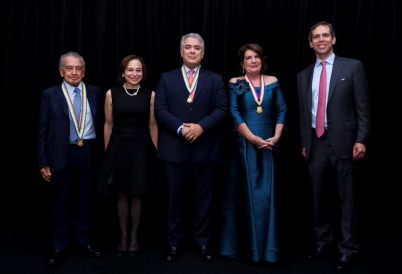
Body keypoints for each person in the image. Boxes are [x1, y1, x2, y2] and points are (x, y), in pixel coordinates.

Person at [297, 21, 370, 271]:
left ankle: (348, 248)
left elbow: (363, 107)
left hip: (345, 142)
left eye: (325, 35)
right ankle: (322, 240)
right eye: (316, 37)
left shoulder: (352, 67)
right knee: (319, 198)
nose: (321, 40)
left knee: (347, 198)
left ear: (334, 39)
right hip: (315, 142)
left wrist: (361, 138)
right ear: (310, 43)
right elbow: (303, 114)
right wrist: (305, 143)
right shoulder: (303, 75)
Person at [154, 33, 228, 262]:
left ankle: (203, 242)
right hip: (175, 150)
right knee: (175, 200)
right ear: (181, 52)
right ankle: (174, 244)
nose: (192, 51)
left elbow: (221, 109)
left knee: (204, 201)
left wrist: (201, 127)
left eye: (197, 48)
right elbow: (160, 109)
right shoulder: (167, 78)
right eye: (188, 47)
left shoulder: (215, 79)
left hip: (205, 149)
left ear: (203, 53)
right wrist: (180, 128)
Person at [217, 43, 287, 263]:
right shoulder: (235, 83)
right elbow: (233, 112)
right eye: (248, 58)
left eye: (256, 56)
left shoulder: (273, 81)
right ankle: (247, 249)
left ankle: (269, 250)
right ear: (242, 63)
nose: (253, 61)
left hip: (269, 143)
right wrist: (251, 138)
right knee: (247, 195)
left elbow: (282, 110)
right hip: (244, 144)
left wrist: (276, 137)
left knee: (267, 196)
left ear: (261, 59)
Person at [37, 51, 103, 265]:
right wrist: (43, 161)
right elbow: (43, 130)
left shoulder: (94, 92)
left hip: (87, 152)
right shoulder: (50, 94)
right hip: (61, 154)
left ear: (83, 72)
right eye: (69, 68)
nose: (73, 72)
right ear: (61, 71)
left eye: (78, 68)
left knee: (85, 200)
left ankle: (84, 241)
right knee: (61, 202)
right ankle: (60, 245)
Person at [97, 55, 158, 257]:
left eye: (138, 70)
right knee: (122, 194)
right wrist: (108, 153)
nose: (134, 74)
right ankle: (123, 236)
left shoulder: (150, 95)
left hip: (142, 148)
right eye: (130, 70)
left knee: (137, 194)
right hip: (118, 147)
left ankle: (134, 236)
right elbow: (108, 124)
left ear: (143, 73)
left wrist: (154, 151)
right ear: (123, 72)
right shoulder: (111, 93)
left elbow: (152, 125)